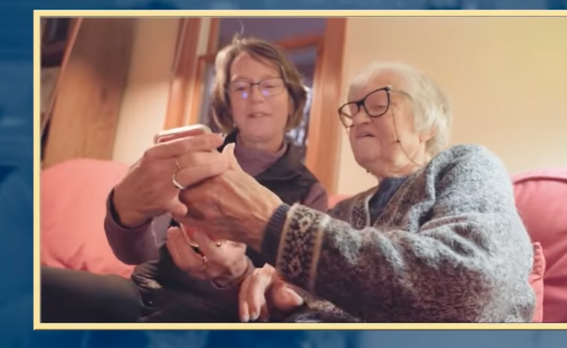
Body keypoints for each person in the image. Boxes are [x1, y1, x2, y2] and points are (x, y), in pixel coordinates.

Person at [173, 61, 537, 322]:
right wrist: (238, 273)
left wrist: (272, 223)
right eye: (354, 110)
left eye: (379, 103)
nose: (359, 118)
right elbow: (291, 299)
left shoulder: (467, 165)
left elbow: (473, 283)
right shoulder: (343, 211)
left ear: (428, 122)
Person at [41, 35, 326, 323]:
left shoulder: (310, 191)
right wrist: (124, 213)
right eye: (241, 87)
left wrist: (239, 275)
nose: (255, 96)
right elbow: (135, 253)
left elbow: (291, 298)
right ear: (227, 105)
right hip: (144, 294)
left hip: (225, 319)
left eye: (269, 85)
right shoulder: (196, 154)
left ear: (293, 100)